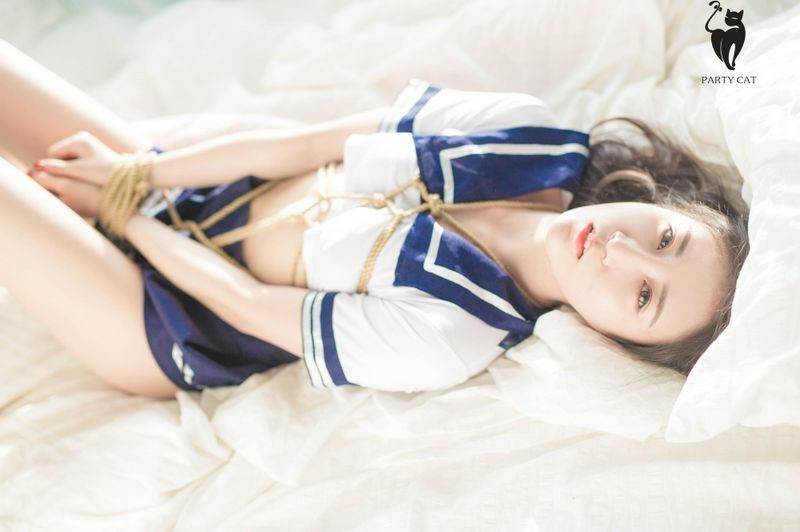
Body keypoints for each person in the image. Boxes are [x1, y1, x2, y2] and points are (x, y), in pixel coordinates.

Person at [0, 40, 749, 399]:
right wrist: (134, 175)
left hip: (163, 317)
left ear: (613, 338)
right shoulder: (525, 135)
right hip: (192, 192)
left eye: (643, 295)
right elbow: (302, 146)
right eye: (666, 238)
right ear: (666, 204)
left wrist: (124, 213)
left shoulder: (456, 333)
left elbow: (246, 303)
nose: (619, 250)